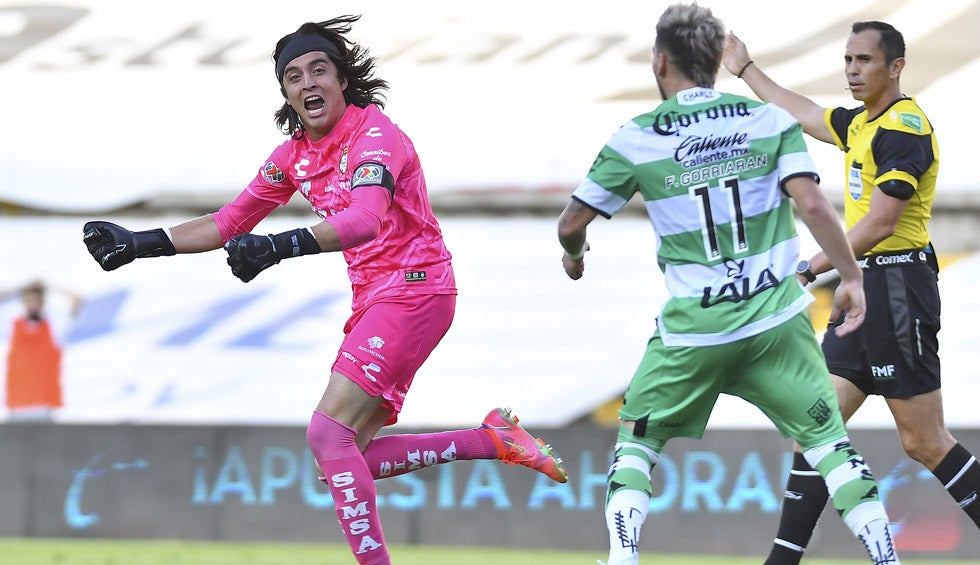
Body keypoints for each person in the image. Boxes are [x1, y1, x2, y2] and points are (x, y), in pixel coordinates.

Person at [82, 15, 566, 564]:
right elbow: (228, 222)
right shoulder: (292, 155)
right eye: (294, 76)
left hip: (414, 290)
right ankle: (494, 440)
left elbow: (363, 220)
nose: (308, 82)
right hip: (379, 300)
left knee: (326, 434)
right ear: (285, 92)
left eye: (319, 70)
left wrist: (277, 247)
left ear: (342, 80)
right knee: (343, 454)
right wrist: (143, 241)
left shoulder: (376, 135)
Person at [558, 5, 903, 565]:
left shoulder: (636, 137)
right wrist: (852, 277)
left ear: (660, 60)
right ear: (716, 61)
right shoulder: (768, 121)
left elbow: (572, 223)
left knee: (637, 444)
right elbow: (812, 203)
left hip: (694, 330)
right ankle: (888, 559)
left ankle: (622, 558)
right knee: (830, 446)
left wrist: (575, 258)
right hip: (776, 321)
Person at [722, 21, 980, 565]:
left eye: (864, 61)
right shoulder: (861, 124)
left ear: (895, 67)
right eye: (848, 60)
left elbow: (881, 221)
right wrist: (746, 70)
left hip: (898, 286)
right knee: (817, 425)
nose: (852, 70)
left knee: (924, 441)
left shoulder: (905, 128)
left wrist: (811, 267)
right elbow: (801, 111)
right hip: (865, 286)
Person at [3, 281, 81, 422]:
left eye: (36, 300)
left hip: (44, 406)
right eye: (29, 300)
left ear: (42, 302)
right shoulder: (11, 327)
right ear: (23, 302)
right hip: (17, 405)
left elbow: (77, 300)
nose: (32, 305)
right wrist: (20, 287)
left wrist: (49, 285)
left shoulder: (55, 328)